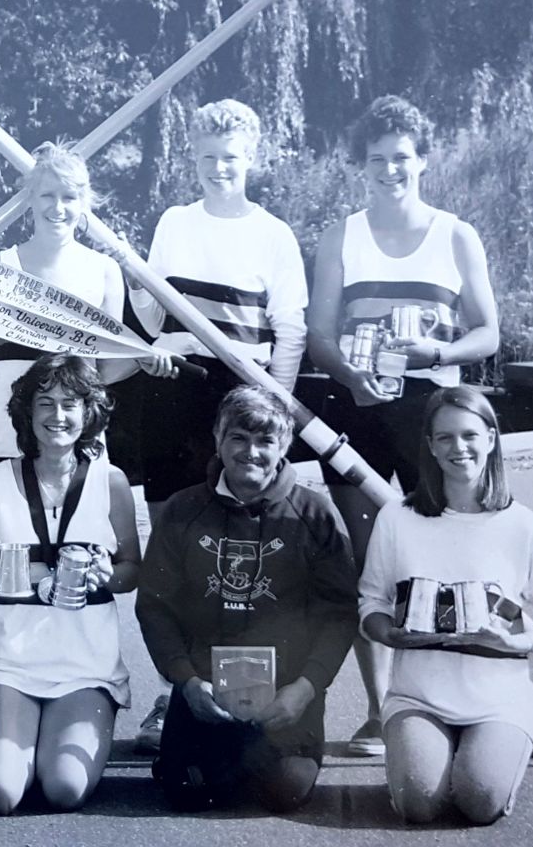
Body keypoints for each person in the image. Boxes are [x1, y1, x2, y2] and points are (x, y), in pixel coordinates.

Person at [307, 95, 499, 756]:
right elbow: (318, 332)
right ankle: (380, 711)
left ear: (424, 161)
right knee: (371, 565)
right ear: (362, 166)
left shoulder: (455, 235)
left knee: (446, 560)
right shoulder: (342, 235)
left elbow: (488, 332)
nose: (390, 171)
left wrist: (437, 354)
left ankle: (465, 702)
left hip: (432, 415)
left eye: (402, 159)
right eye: (377, 160)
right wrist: (350, 376)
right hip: (355, 410)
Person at [124, 98, 307, 751]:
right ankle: (177, 688)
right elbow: (150, 320)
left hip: (245, 393)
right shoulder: (173, 221)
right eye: (206, 159)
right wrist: (135, 280)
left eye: (229, 158)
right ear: (192, 158)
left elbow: (290, 330)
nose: (218, 169)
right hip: (176, 394)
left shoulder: (273, 234)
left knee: (240, 549)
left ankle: (243, 683)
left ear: (250, 157)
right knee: (177, 547)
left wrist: (276, 407)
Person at [135, 386, 357, 814]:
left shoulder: (315, 514)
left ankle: (249, 761)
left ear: (284, 446)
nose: (250, 452)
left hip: (286, 700)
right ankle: (202, 756)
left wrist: (306, 688)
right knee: (186, 792)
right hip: (205, 695)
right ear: (218, 439)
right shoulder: (183, 510)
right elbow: (155, 605)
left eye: (265, 441)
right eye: (238, 437)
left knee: (285, 791)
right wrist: (186, 681)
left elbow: (339, 614)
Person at [359, 386, 533, 825]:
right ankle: (430, 755)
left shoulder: (524, 526)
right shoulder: (397, 517)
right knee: (418, 803)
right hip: (419, 696)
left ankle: (490, 752)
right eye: (444, 437)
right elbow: (371, 601)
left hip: (497, 698)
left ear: (491, 438)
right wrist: (387, 632)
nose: (458, 447)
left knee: (479, 801)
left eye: (469, 435)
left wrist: (513, 640)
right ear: (429, 445)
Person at [0, 140, 174, 486]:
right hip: (4, 437)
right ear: (29, 199)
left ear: (84, 203)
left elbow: (101, 371)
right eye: (47, 195)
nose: (58, 207)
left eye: (69, 197)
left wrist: (142, 360)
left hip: (77, 438)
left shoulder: (104, 269)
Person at [0, 353, 140, 814]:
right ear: (27, 412)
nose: (57, 415)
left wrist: (108, 575)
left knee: (64, 788)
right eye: (45, 402)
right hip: (9, 662)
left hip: (84, 665)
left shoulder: (111, 481)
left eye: (69, 403)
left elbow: (132, 571)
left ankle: (61, 734)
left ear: (88, 413)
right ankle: (12, 736)